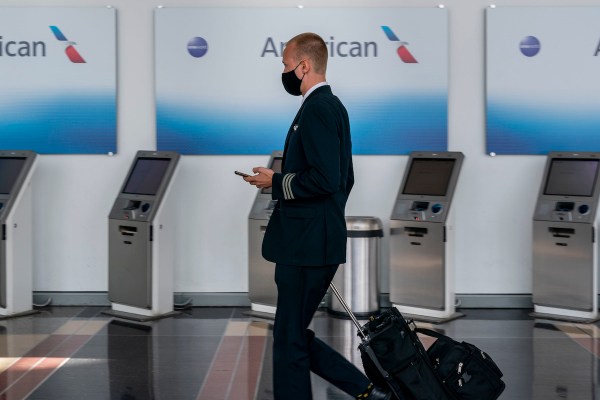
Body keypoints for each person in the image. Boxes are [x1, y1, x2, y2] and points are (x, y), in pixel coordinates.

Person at [244, 33, 391, 400]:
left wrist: (276, 181)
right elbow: (344, 178)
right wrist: (285, 187)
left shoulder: (319, 109)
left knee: (289, 339)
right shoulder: (329, 107)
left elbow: (328, 179)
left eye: (285, 63)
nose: (283, 70)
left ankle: (370, 391)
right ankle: (368, 390)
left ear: (303, 65)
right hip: (310, 240)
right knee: (291, 334)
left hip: (306, 245)